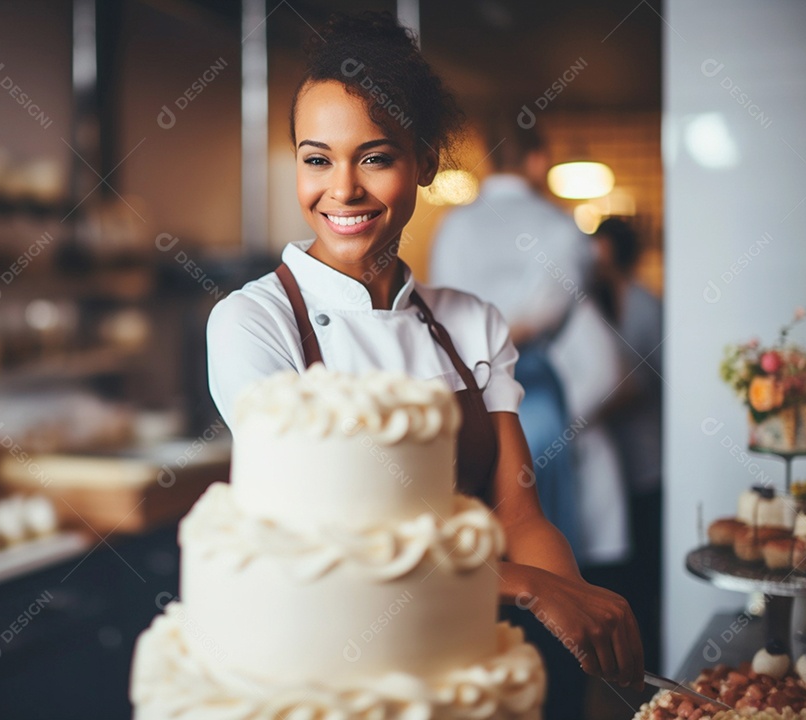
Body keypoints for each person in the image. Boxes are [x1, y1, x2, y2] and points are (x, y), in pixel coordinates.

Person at [205, 11, 644, 715]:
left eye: (375, 157)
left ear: (426, 163)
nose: (341, 189)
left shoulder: (469, 321)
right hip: (341, 682)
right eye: (316, 159)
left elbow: (518, 512)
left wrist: (579, 612)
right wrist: (531, 588)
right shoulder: (253, 323)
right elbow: (328, 546)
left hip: (469, 673)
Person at [429, 122, 594, 561]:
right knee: (537, 512)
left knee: (464, 506)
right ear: (538, 160)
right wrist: (499, 348)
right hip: (532, 383)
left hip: (456, 382)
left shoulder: (453, 225)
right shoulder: (560, 226)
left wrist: (475, 356)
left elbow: (438, 304)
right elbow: (548, 314)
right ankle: (544, 618)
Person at [590, 216, 664, 670]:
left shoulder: (647, 306)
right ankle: (618, 666)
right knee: (614, 570)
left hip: (647, 462)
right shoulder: (590, 303)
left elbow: (649, 383)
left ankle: (648, 665)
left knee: (643, 573)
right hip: (607, 464)